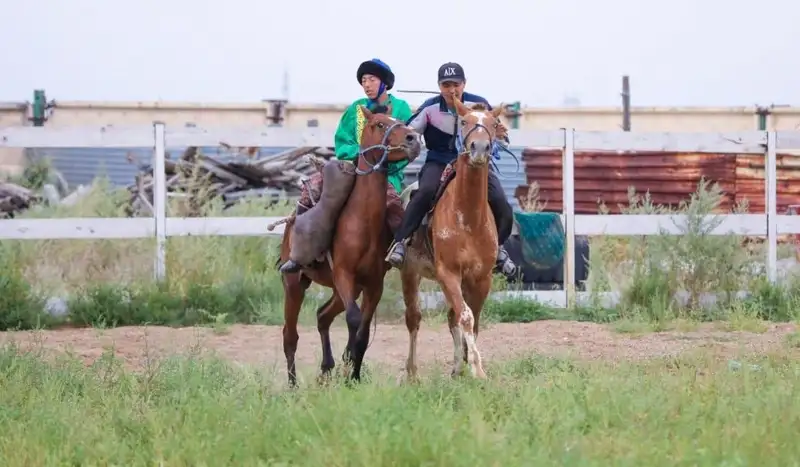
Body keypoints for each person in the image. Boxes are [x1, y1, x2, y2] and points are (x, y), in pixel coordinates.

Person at [279, 58, 415, 274]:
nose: (367, 84)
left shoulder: (401, 108)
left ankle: (400, 251)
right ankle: (298, 250)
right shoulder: (356, 109)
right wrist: (361, 155)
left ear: (384, 82)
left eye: (371, 79)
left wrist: (387, 158)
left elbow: (409, 144)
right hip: (353, 169)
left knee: (394, 208)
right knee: (312, 190)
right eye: (363, 80)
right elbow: (343, 141)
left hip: (386, 174)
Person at [385, 62, 517, 277]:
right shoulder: (429, 108)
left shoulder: (479, 104)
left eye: (456, 84)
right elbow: (410, 133)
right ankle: (401, 241)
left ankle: (499, 249)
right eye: (446, 85)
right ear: (439, 86)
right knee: (425, 192)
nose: (451, 89)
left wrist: (500, 133)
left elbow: (499, 134)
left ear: (464, 84)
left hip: (475, 164)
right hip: (438, 161)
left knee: (501, 201)